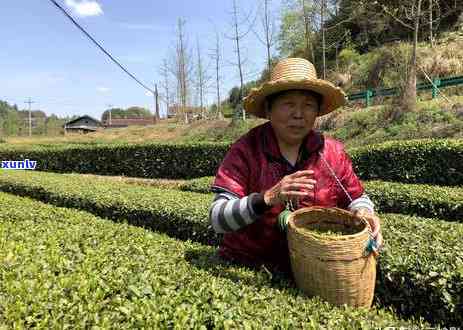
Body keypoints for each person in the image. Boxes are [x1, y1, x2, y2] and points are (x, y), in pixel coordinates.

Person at [208, 58, 383, 274]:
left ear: (317, 111)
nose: (298, 114)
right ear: (269, 109)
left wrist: (365, 212)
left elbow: (356, 197)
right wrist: (266, 199)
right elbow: (217, 218)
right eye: (288, 104)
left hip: (315, 271)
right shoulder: (246, 150)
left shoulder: (331, 152)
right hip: (249, 267)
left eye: (308, 105)